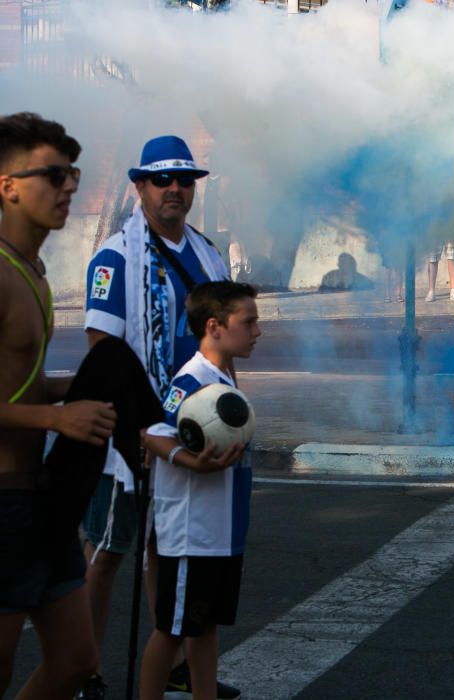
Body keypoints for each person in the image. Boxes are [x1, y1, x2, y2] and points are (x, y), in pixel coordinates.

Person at [79, 135, 238, 699]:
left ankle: (173, 665)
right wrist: (137, 429)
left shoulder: (208, 253)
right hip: (131, 431)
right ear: (139, 186)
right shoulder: (114, 257)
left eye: (185, 180)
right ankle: (85, 671)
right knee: (107, 552)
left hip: (190, 427)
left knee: (166, 549)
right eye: (162, 180)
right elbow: (103, 348)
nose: (175, 189)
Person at [0, 112, 119, 697]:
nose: (70, 185)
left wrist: (78, 390)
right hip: (0, 501)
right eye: (54, 173)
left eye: (73, 172)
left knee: (76, 663)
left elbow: (19, 385)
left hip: (40, 496)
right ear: (9, 186)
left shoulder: (35, 272)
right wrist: (56, 417)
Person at [139, 281, 259, 700]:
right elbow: (153, 432)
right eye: (248, 322)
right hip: (192, 535)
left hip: (221, 533)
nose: (257, 331)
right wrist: (190, 461)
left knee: (203, 627)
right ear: (215, 326)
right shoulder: (191, 380)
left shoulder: (222, 377)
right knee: (171, 632)